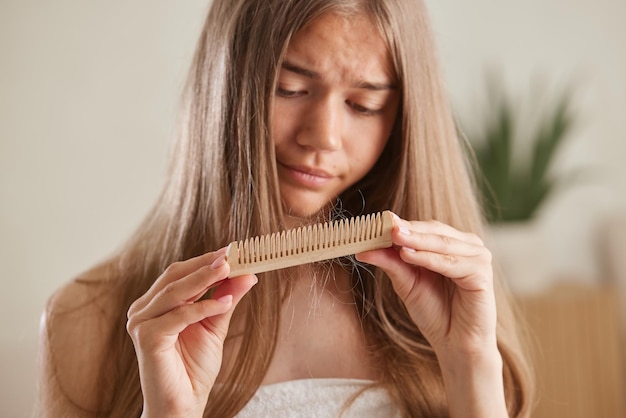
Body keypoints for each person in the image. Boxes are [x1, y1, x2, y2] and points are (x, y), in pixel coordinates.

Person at [38, 0, 534, 417]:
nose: (323, 136)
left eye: (364, 105)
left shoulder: (452, 309)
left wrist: (472, 367)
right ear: (226, 83)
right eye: (290, 88)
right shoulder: (87, 321)